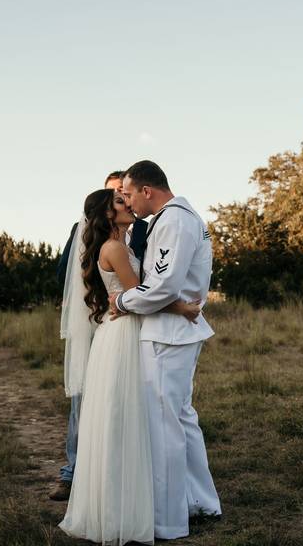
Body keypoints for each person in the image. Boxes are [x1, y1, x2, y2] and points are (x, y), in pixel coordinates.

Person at [59, 189, 200, 545]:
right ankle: (122, 508)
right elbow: (139, 296)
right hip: (123, 334)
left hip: (120, 329)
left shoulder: (121, 245)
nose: (128, 206)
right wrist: (181, 308)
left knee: (126, 416)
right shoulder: (115, 248)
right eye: (120, 203)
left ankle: (131, 501)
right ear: (108, 214)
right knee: (125, 416)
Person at [111, 160, 222, 540]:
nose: (128, 202)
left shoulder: (174, 220)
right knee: (181, 418)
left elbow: (163, 286)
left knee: (163, 426)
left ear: (147, 190)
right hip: (177, 331)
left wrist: (123, 302)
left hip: (167, 335)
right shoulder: (180, 217)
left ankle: (168, 520)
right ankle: (201, 502)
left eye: (129, 194)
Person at [50, 171, 149, 502]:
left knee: (119, 399)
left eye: (126, 194)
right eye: (118, 196)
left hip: (120, 318)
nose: (125, 200)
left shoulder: (142, 229)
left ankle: (124, 472)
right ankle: (75, 471)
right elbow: (71, 270)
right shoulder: (95, 237)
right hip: (104, 321)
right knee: (89, 399)